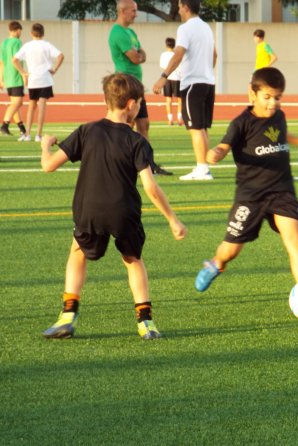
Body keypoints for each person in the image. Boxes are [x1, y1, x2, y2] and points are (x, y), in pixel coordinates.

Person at [40, 73, 187, 340]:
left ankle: (67, 316)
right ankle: (146, 323)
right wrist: (173, 220)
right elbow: (151, 188)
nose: (140, 108)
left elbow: (48, 166)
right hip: (124, 212)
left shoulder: (87, 130)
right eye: (140, 103)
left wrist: (44, 145)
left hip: (89, 210)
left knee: (77, 252)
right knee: (133, 261)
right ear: (131, 104)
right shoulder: (137, 141)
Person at [193, 67, 298, 292]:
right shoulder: (240, 123)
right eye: (267, 97)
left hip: (282, 190)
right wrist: (215, 154)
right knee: (230, 251)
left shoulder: (279, 116)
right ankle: (216, 263)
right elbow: (223, 146)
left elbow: (279, 134)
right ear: (252, 94)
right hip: (251, 196)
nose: (272, 103)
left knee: (295, 238)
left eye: (277, 97)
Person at [153, 0, 217, 181]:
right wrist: (207, 71)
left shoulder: (185, 28)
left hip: (192, 84)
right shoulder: (206, 28)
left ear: (186, 7)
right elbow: (214, 55)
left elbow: (178, 54)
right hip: (208, 83)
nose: (178, 9)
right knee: (202, 127)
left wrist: (163, 76)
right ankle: (203, 167)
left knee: (195, 128)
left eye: (180, 6)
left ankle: (202, 169)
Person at [109, 0, 172, 175]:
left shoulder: (130, 32)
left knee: (143, 124)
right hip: (126, 84)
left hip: (136, 85)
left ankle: (148, 163)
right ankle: (124, 162)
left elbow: (142, 54)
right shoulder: (118, 33)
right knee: (126, 125)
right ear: (122, 11)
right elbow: (137, 58)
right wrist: (139, 55)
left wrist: (139, 55)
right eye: (133, 11)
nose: (136, 14)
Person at [12, 23, 63, 142]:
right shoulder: (47, 45)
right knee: (42, 107)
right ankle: (38, 135)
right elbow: (61, 56)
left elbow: (14, 60)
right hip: (45, 79)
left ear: (31, 33)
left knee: (31, 106)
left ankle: (28, 134)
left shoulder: (27, 46)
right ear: (43, 33)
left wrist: (23, 72)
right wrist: (54, 69)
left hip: (33, 80)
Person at [0, 21, 26, 137]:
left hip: (7, 77)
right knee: (17, 102)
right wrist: (23, 73)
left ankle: (22, 128)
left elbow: (1, 62)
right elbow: (15, 60)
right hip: (15, 76)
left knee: (15, 103)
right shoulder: (17, 42)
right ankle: (4, 125)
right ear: (18, 30)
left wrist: (1, 78)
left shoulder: (4, 43)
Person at [159, 37, 183, 126]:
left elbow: (162, 66)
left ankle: (170, 119)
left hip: (167, 78)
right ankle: (179, 119)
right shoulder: (176, 54)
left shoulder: (163, 55)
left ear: (166, 45)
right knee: (180, 99)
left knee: (168, 99)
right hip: (177, 78)